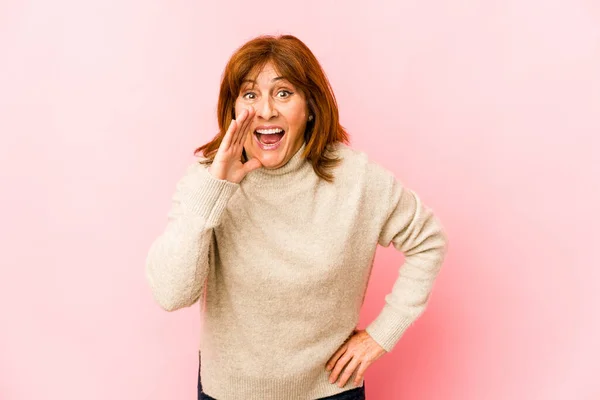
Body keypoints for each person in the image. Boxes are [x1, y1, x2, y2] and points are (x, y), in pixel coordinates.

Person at [145, 34, 449, 400]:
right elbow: (170, 293)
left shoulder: (356, 179)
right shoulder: (206, 178)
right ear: (232, 108)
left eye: (283, 93)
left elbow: (429, 240)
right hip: (228, 394)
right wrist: (215, 188)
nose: (266, 110)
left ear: (311, 107)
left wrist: (382, 335)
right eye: (250, 94)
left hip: (329, 393)